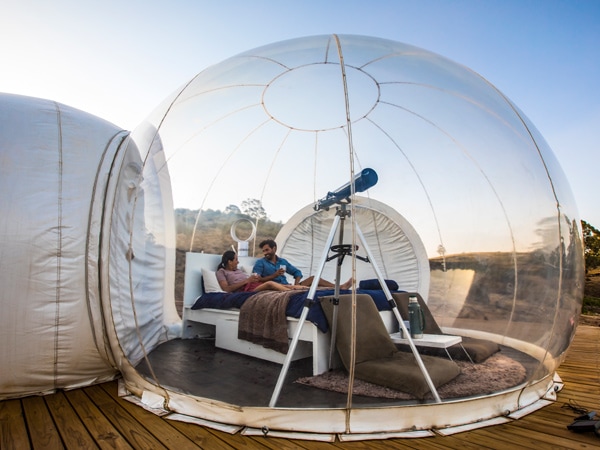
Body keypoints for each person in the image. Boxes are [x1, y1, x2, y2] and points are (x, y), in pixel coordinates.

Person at [253, 239, 352, 289]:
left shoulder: (282, 262)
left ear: (274, 249)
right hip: (276, 288)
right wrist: (274, 275)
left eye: (267, 250)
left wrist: (297, 283)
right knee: (307, 289)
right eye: (263, 251)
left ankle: (338, 287)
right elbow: (256, 280)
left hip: (289, 286)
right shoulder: (260, 263)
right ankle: (299, 288)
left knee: (313, 279)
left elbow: (297, 272)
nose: (265, 253)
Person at [215, 250, 305, 293]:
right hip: (245, 290)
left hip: (251, 285)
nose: (238, 262)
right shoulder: (222, 272)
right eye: (236, 260)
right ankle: (293, 294)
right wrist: (247, 281)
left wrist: (254, 279)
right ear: (229, 261)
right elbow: (226, 289)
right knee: (270, 284)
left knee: (284, 285)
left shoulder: (238, 270)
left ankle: (309, 290)